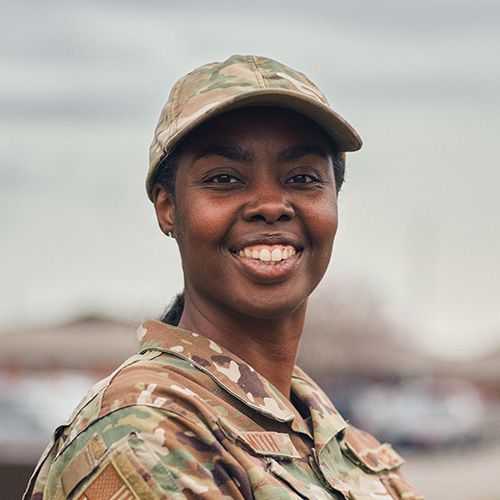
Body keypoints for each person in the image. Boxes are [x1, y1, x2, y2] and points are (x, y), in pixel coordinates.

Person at [24, 55, 423, 499]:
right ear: (168, 207)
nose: (271, 204)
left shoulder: (338, 441)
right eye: (225, 178)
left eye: (303, 177)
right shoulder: (148, 433)